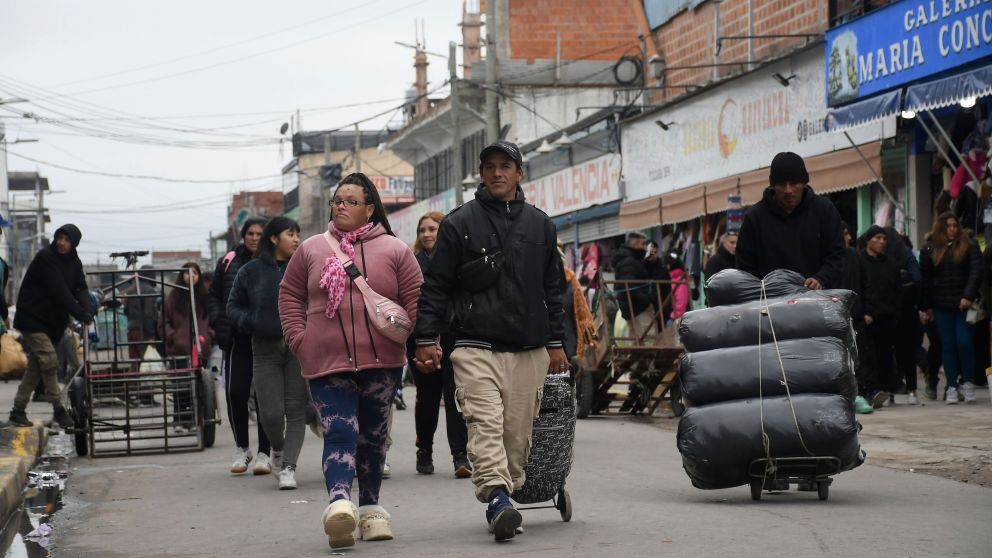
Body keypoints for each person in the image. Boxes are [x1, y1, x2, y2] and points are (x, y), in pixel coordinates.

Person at [413, 140, 566, 542]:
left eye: (505, 166)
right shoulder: (459, 223)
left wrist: (556, 342)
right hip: (474, 346)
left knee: (516, 436)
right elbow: (436, 286)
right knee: (485, 424)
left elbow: (554, 288)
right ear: (481, 174)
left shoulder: (541, 225)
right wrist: (426, 337)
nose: (497, 173)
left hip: (528, 350)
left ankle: (505, 492)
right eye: (490, 167)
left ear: (520, 173)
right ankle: (498, 499)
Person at [279, 173, 422, 549]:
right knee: (340, 430)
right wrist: (299, 338)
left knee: (373, 436)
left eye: (351, 201)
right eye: (337, 200)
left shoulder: (395, 249)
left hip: (383, 362)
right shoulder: (310, 249)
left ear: (369, 209)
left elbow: (416, 299)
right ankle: (340, 503)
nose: (341, 205)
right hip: (326, 362)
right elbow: (290, 294)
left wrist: (425, 343)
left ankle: (371, 509)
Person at [228, 217, 305, 490]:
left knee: (295, 412)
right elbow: (233, 307)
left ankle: (289, 468)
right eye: (290, 233)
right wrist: (254, 321)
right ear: (274, 239)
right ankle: (278, 449)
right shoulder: (250, 271)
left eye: (298, 234)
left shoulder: (305, 266)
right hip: (264, 350)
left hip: (298, 348)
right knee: (271, 414)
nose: (296, 239)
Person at [208, 217, 273, 475]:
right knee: (236, 393)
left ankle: (265, 453)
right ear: (244, 235)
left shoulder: (273, 261)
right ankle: (242, 448)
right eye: (250, 233)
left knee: (266, 397)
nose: (255, 237)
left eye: (259, 233)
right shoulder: (229, 260)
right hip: (236, 339)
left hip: (266, 339)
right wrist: (217, 319)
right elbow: (213, 295)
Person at [8, 224, 91, 428]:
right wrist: (80, 313)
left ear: (74, 244)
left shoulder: (74, 262)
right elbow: (60, 291)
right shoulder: (46, 258)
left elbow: (80, 287)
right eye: (59, 238)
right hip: (32, 318)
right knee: (50, 360)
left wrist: (88, 309)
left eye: (66, 240)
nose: (62, 243)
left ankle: (18, 411)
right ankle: (58, 409)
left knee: (37, 367)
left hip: (52, 323)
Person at [408, 211, 471, 478]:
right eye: (422, 230)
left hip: (452, 335)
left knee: (455, 396)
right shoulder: (412, 263)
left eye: (432, 229)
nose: (426, 234)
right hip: (421, 337)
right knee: (427, 398)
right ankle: (425, 450)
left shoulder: (457, 260)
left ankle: (460, 456)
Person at [736, 152, 846, 289]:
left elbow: (837, 255)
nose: (788, 190)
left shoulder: (824, 210)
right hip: (770, 305)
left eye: (794, 183)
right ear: (773, 186)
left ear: (804, 183)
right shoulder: (754, 218)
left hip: (816, 301)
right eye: (782, 184)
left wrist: (821, 279)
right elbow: (745, 267)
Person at [920, 212, 983, 404]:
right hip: (941, 305)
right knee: (947, 345)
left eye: (955, 225)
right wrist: (926, 306)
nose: (953, 229)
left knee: (964, 343)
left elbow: (975, 271)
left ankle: (969, 382)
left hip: (963, 305)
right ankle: (952, 387)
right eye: (948, 226)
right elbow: (925, 279)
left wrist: (968, 295)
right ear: (941, 228)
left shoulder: (969, 246)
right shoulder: (930, 248)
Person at [161, 262, 213, 430]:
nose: (191, 276)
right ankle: (178, 419)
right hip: (178, 350)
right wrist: (174, 336)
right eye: (187, 273)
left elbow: (214, 321)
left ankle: (194, 420)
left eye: (195, 273)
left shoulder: (205, 297)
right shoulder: (173, 298)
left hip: (200, 349)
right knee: (179, 386)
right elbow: (163, 322)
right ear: (181, 275)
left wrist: (208, 335)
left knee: (199, 387)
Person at [860, 226, 904, 408]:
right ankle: (871, 390)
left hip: (887, 316)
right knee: (869, 356)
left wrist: (895, 312)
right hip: (866, 318)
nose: (882, 242)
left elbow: (897, 291)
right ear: (869, 240)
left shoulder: (891, 263)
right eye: (878, 238)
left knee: (886, 355)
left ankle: (886, 390)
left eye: (884, 239)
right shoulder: (859, 261)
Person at [836, 223, 877, 414]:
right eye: (844, 234)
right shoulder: (827, 258)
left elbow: (866, 283)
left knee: (859, 355)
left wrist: (867, 310)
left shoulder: (853, 255)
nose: (849, 238)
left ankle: (861, 393)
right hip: (833, 315)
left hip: (856, 313)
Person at [612, 232, 659, 339]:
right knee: (648, 340)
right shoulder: (629, 261)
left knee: (641, 341)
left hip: (634, 307)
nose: (645, 248)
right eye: (643, 244)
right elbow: (629, 287)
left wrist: (651, 262)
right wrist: (647, 302)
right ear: (636, 244)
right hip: (638, 309)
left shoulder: (634, 260)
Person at [666, 253, 691, 322]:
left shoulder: (679, 280)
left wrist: (673, 316)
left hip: (678, 319)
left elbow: (681, 302)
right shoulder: (674, 278)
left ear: (669, 265)